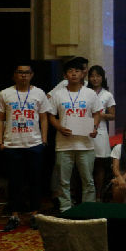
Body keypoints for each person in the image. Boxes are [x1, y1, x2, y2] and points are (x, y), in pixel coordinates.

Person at [0, 60, 52, 229]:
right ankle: (14, 215)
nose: (23, 75)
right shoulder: (5, 93)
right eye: (20, 72)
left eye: (27, 72)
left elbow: (44, 118)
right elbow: (0, 119)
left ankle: (34, 214)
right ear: (14, 76)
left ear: (32, 75)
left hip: (34, 143)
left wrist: (44, 139)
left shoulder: (39, 93)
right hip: (12, 144)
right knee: (14, 182)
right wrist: (0, 141)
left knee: (35, 181)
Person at [48, 58, 104, 212]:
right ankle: (65, 209)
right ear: (65, 75)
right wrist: (59, 127)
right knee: (63, 181)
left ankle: (88, 209)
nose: (74, 74)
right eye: (70, 71)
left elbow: (97, 113)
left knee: (88, 180)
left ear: (82, 74)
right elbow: (51, 116)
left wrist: (94, 127)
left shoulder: (90, 93)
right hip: (64, 144)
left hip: (85, 144)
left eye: (77, 71)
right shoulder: (58, 94)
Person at [85, 66, 116, 202]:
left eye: (98, 76)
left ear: (102, 78)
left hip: (101, 132)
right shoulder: (84, 92)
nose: (95, 78)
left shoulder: (107, 94)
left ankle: (98, 196)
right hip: (85, 130)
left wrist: (99, 114)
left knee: (99, 165)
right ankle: (86, 197)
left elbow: (113, 116)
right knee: (85, 165)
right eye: (92, 76)